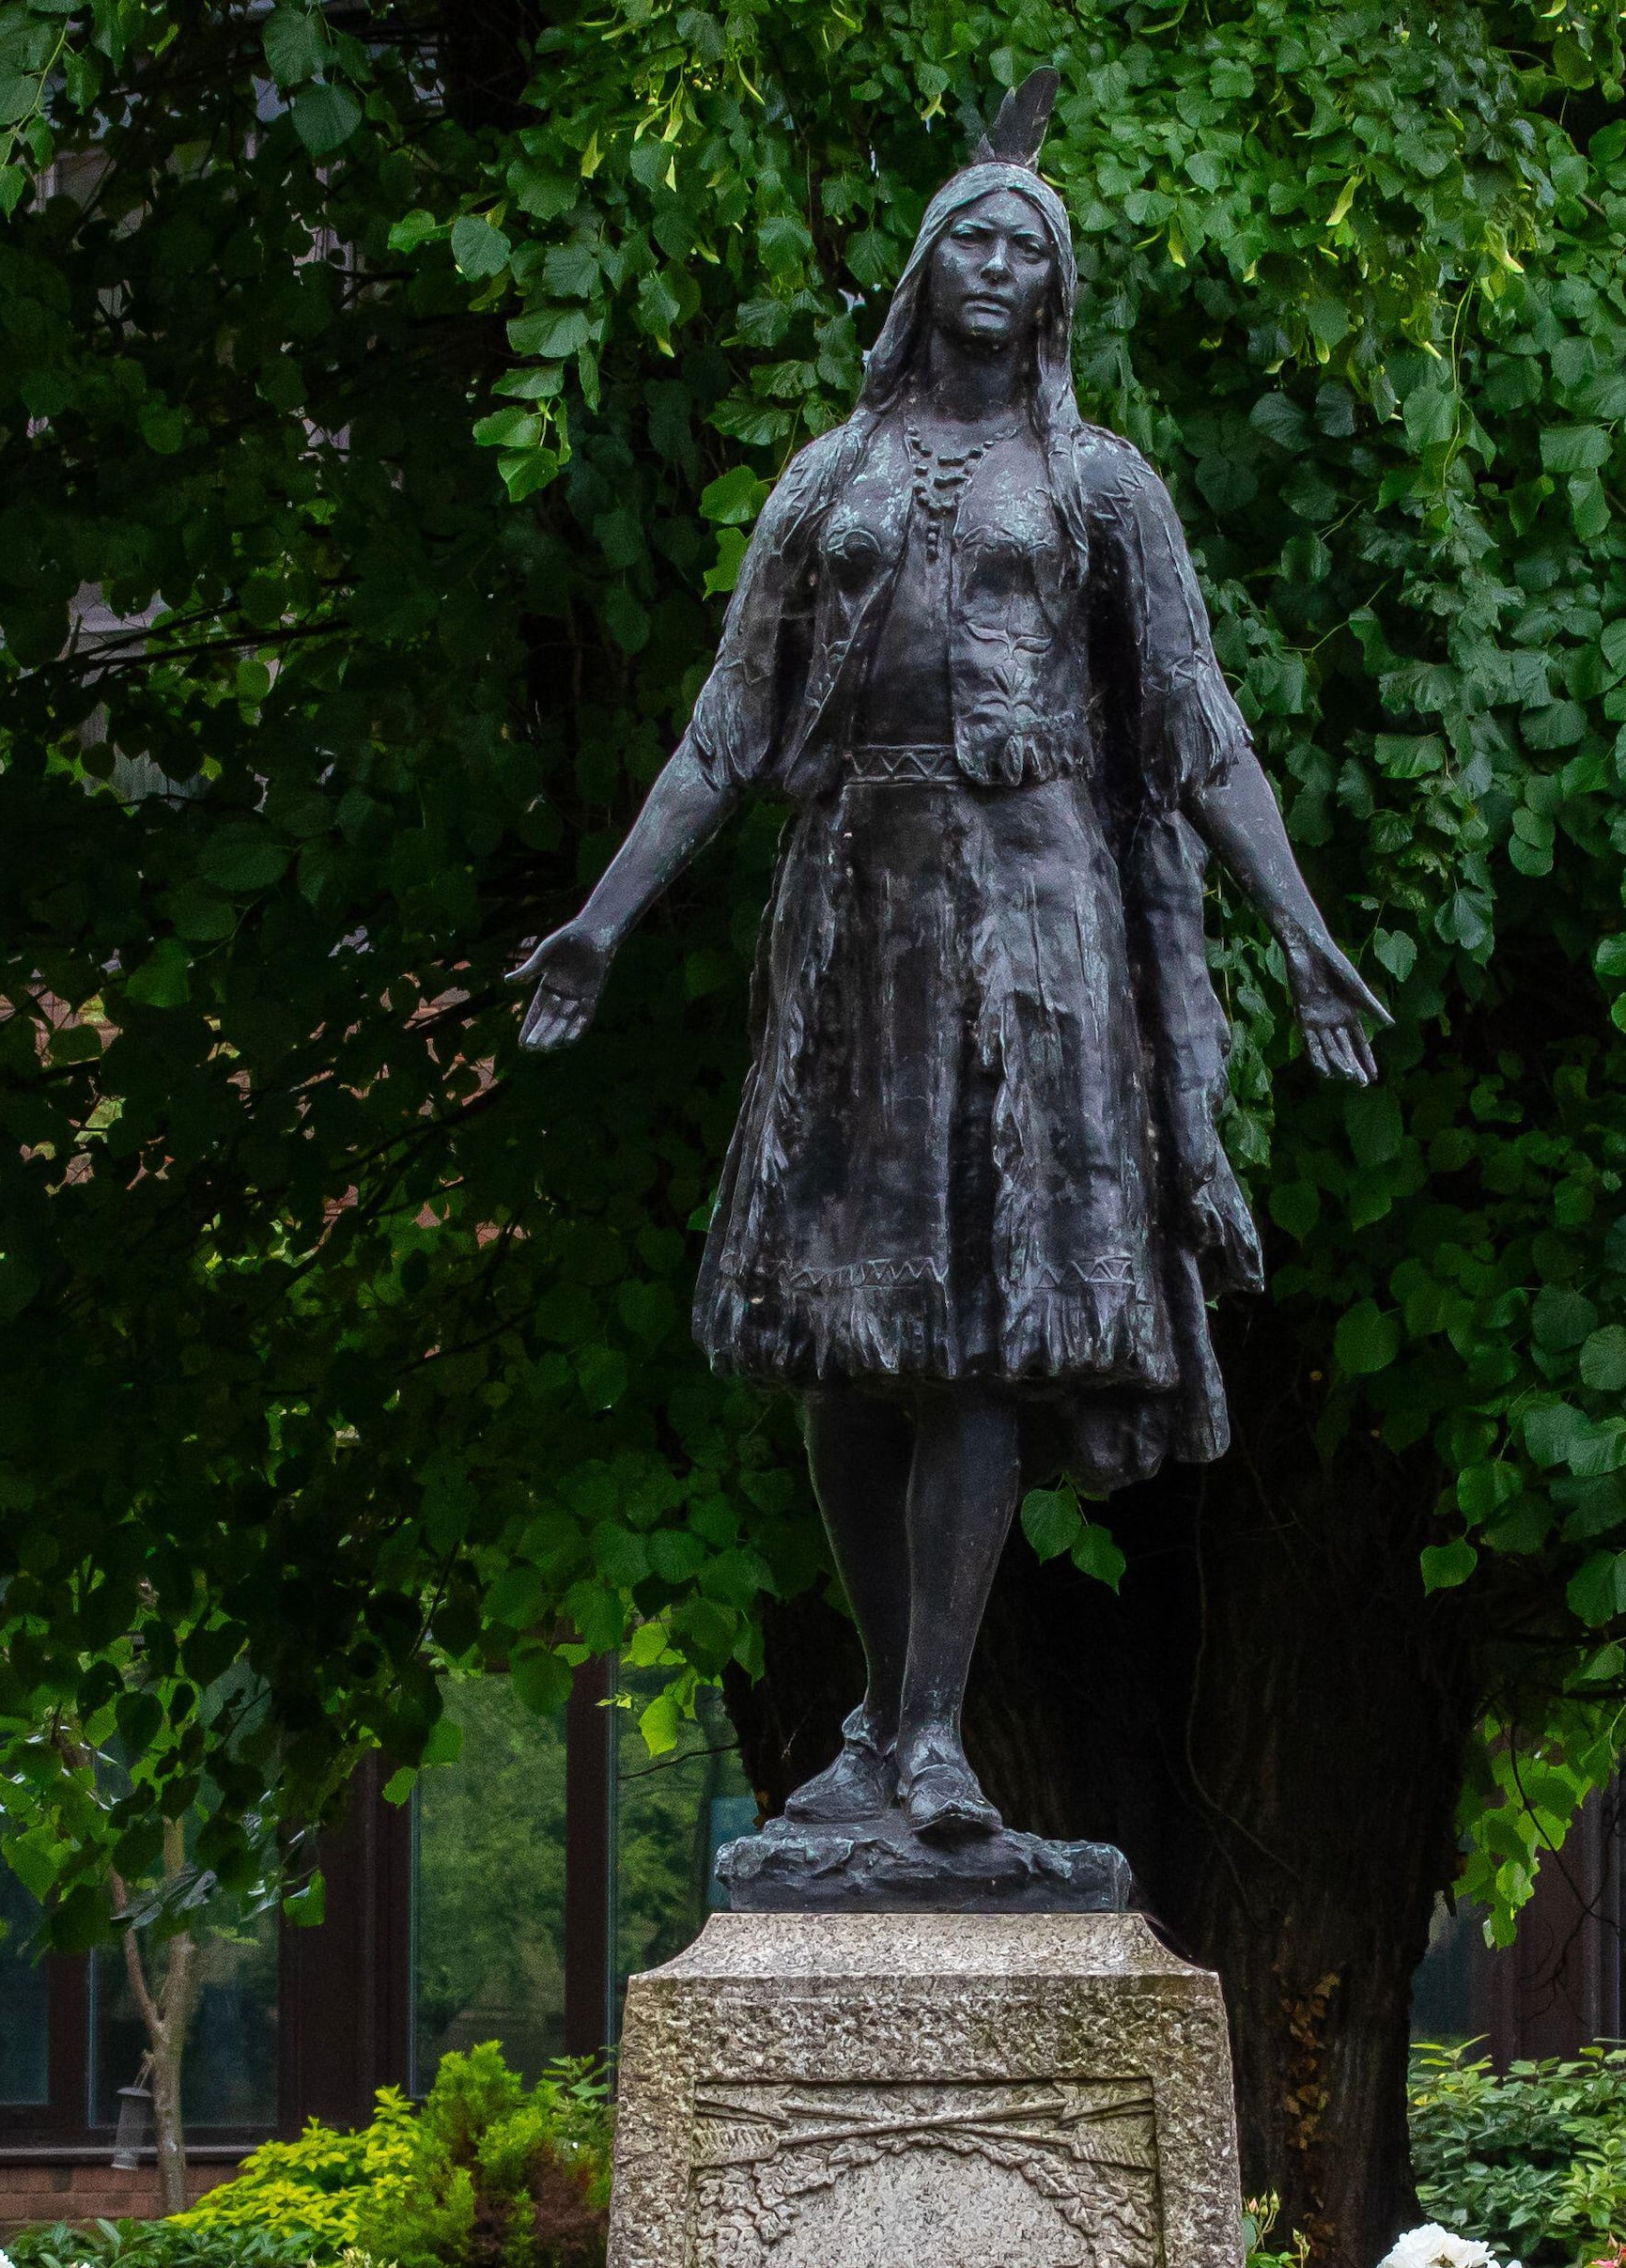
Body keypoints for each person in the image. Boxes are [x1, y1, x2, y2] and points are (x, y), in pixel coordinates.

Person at [512, 89, 1383, 1862]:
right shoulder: (826, 481)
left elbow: (1198, 733)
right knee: (842, 1344)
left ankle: (929, 1741)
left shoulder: (1097, 484)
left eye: (1027, 246)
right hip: (852, 913)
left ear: (1054, 291)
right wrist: (605, 918)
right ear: (926, 269)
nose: (997, 266)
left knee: (977, 1337)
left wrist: (1302, 936)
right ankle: (874, 1719)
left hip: (1029, 915)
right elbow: (724, 726)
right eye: (972, 237)